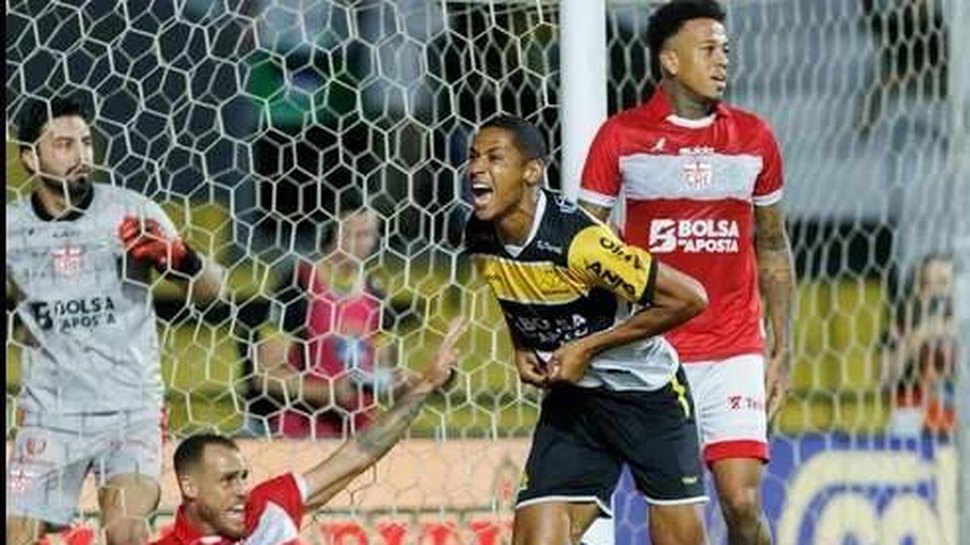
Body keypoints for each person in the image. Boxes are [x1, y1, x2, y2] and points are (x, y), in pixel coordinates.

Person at [577, 2, 796, 544]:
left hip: (734, 348)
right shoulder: (621, 138)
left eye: (726, 49)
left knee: (743, 502)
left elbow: (772, 245)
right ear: (670, 60)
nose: (723, 60)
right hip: (653, 351)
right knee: (674, 518)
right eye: (709, 49)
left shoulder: (754, 138)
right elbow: (582, 243)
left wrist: (782, 347)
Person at [465, 115, 710, 545]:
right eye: (473, 157)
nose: (476, 168)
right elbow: (509, 285)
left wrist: (588, 347)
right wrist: (521, 343)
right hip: (576, 401)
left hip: (647, 397)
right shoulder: (480, 233)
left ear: (531, 171)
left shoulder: (581, 243)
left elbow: (690, 298)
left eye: (494, 157)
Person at [5, 95, 226, 545]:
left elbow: (214, 291)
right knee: (13, 531)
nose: (81, 156)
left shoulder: (130, 212)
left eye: (86, 143)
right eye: (64, 144)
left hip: (130, 409)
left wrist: (181, 259)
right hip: (50, 414)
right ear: (30, 157)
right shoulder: (12, 228)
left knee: (127, 531)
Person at [151, 318, 463, 545]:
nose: (242, 490)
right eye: (227, 480)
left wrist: (426, 384)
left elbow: (355, 456)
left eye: (242, 477)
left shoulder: (267, 508)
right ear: (189, 487)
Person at [244, 190, 405, 439]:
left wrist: (417, 382)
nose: (361, 243)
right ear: (330, 233)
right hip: (301, 429)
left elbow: (384, 372)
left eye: (368, 234)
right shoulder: (298, 286)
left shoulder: (376, 295)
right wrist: (329, 393)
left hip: (357, 433)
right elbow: (264, 377)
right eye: (351, 234)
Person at [882, 253, 957, 437]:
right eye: (926, 284)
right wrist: (918, 337)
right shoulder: (899, 327)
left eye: (943, 283)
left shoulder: (961, 327)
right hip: (911, 415)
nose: (935, 292)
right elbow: (885, 382)